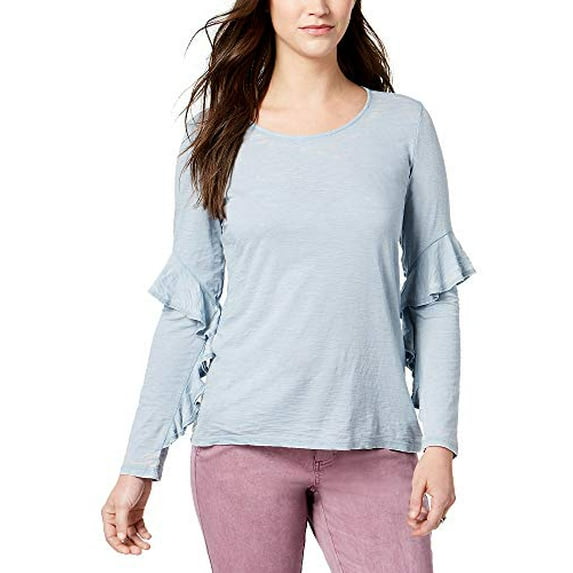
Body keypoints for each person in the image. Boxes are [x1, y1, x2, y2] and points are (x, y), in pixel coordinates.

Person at [101, 1, 476, 571]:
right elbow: (188, 308)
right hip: (241, 445)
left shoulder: (404, 125)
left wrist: (441, 444)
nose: (318, 7)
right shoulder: (215, 133)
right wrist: (139, 462)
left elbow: (434, 295)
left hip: (375, 441)